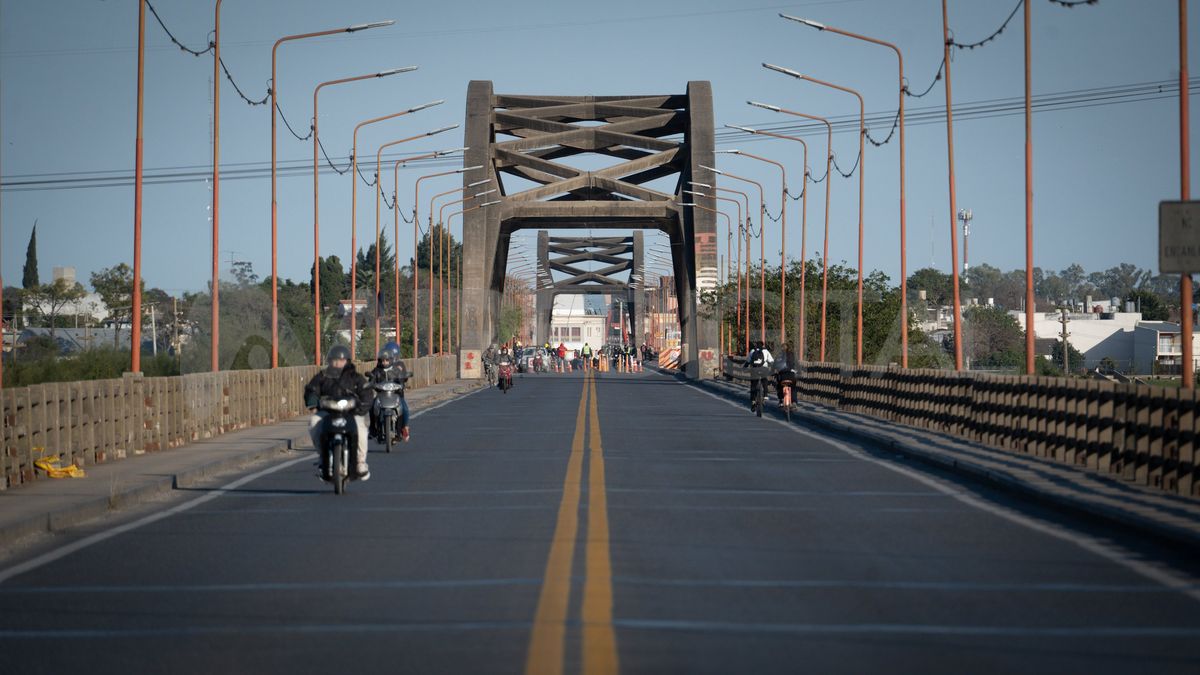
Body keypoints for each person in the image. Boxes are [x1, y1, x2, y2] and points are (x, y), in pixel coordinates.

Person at [304, 344, 373, 480]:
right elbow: (311, 389)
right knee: (313, 422)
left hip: (351, 413)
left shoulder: (355, 377)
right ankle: (322, 456)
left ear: (347, 361)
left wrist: (362, 407)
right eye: (335, 360)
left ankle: (360, 462)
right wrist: (313, 404)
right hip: (327, 413)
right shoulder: (322, 376)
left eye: (341, 360)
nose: (338, 363)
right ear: (329, 361)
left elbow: (366, 392)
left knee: (362, 430)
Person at [369, 348, 410, 443]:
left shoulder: (396, 370)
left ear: (391, 360)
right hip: (381, 396)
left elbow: (403, 378)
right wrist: (371, 382)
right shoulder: (376, 370)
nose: (385, 362)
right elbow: (371, 379)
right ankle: (372, 430)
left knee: (405, 409)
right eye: (382, 360)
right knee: (371, 407)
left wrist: (404, 379)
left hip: (396, 395)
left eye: (387, 360)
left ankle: (403, 429)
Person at [743, 341, 774, 411]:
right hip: (763, 369)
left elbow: (748, 361)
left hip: (754, 369)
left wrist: (744, 368)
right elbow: (771, 361)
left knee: (753, 385)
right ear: (763, 345)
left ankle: (753, 401)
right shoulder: (766, 351)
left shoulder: (752, 351)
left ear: (756, 345)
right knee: (764, 380)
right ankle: (765, 395)